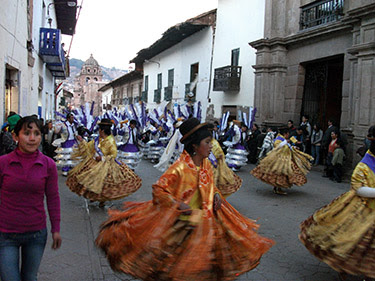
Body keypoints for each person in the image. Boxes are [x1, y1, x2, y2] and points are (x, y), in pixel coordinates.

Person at [96, 118, 274, 280]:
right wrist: (178, 204)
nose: (211, 146)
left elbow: (210, 184)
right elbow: (159, 190)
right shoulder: (179, 168)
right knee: (178, 268)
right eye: (207, 142)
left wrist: (217, 194)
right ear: (195, 146)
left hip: (206, 223)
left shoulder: (205, 163)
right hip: (183, 226)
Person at [299, 125, 375, 281]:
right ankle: (345, 267)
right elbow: (357, 188)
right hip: (361, 208)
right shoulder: (364, 165)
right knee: (351, 239)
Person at [0, 116, 61, 280]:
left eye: (36, 133)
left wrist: (56, 229)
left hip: (36, 233)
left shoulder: (48, 165)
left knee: (29, 277)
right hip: (5, 234)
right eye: (27, 133)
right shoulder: (3, 163)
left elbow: (53, 198)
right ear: (15, 136)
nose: (32, 138)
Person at [66, 118, 142, 208]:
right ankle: (94, 196)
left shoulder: (110, 141)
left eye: (99, 130)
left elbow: (113, 154)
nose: (98, 131)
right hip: (95, 162)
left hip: (106, 164)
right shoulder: (97, 139)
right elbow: (88, 147)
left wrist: (102, 158)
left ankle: (102, 200)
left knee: (105, 183)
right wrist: (82, 141)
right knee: (90, 178)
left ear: (102, 130)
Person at [251, 126, 313, 195]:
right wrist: (286, 143)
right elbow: (277, 147)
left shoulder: (283, 139)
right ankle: (278, 188)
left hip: (283, 159)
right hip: (280, 160)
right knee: (280, 175)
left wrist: (293, 147)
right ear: (285, 134)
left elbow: (286, 146)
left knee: (278, 175)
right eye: (288, 134)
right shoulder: (279, 139)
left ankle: (277, 188)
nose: (288, 135)